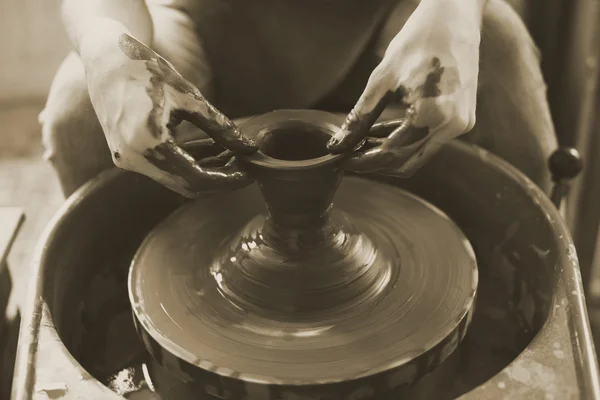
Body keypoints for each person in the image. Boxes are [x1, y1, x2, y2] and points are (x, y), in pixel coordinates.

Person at [40, 0, 557, 199]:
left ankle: (510, 321)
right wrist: (105, 43)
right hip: (205, 22)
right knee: (79, 108)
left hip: (384, 20)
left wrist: (457, 9)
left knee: (498, 46)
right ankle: (121, 335)